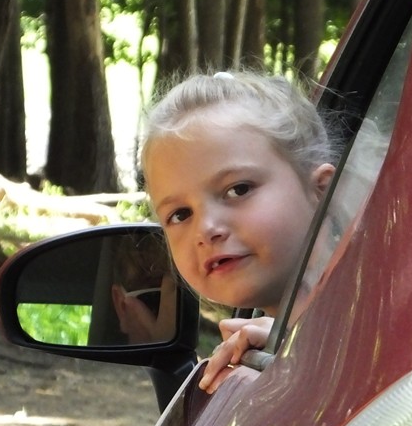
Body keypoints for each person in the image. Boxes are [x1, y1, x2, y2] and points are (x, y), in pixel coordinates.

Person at [140, 70, 336, 394]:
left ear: (321, 191)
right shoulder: (259, 338)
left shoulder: (385, 307)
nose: (207, 229)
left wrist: (308, 348)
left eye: (238, 189)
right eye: (180, 214)